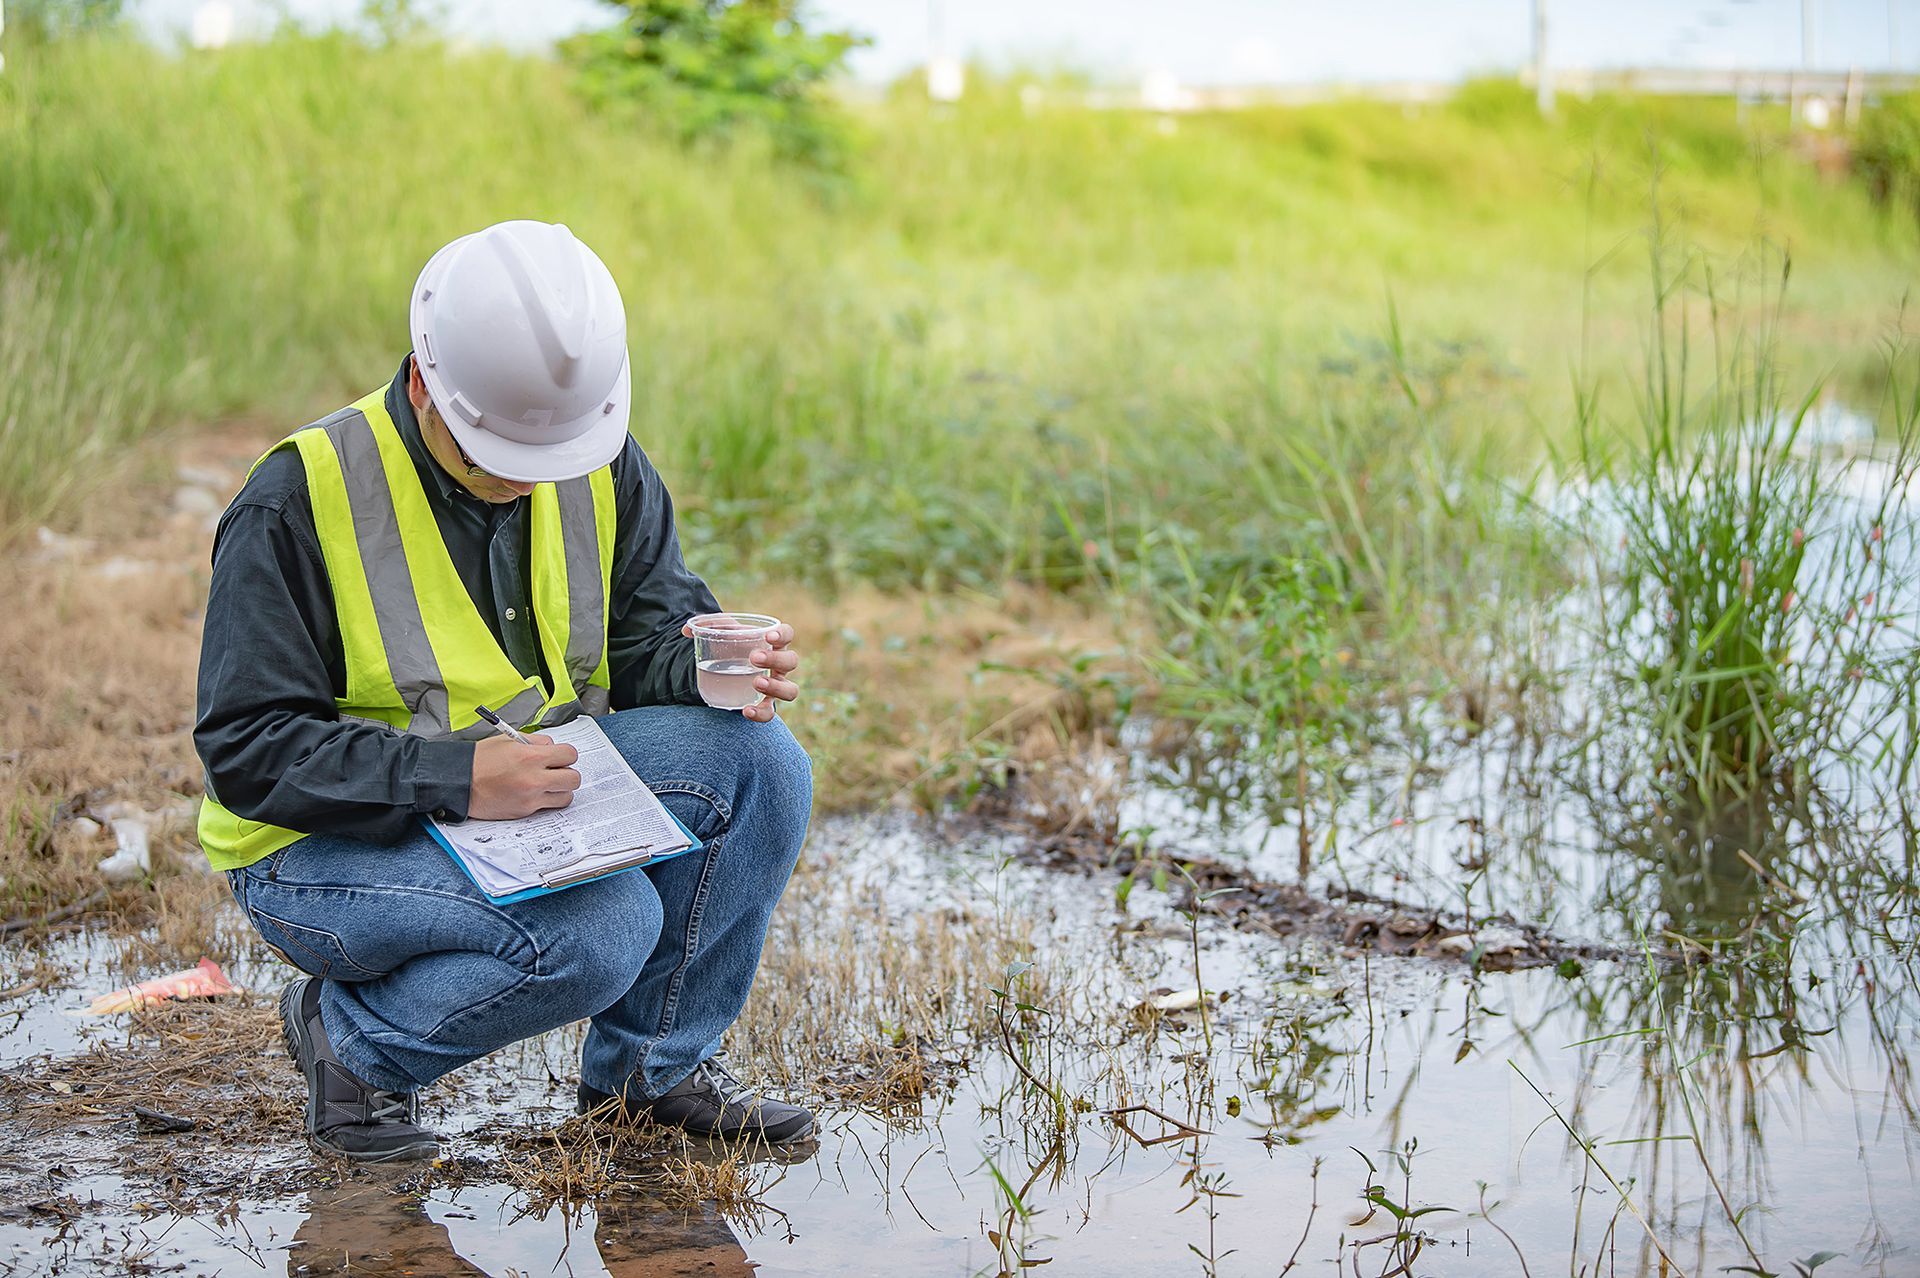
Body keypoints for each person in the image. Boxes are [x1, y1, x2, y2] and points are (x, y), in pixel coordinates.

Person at [193, 220, 815, 1162]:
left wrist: (699, 668)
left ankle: (651, 1075)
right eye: (500, 460)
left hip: (527, 799)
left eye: (549, 459)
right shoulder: (296, 501)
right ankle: (352, 1046)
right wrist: (455, 778)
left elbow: (643, 636)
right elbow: (250, 752)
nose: (530, 483)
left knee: (764, 763)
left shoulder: (592, 454)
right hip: (320, 849)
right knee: (603, 931)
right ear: (423, 385)